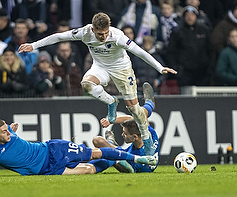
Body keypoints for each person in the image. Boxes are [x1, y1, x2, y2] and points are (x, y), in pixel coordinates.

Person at [18, 12, 176, 156]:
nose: (104, 36)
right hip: (100, 67)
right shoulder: (85, 33)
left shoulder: (117, 36)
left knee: (134, 110)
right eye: (100, 34)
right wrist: (34, 45)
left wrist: (159, 67)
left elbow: (139, 51)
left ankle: (146, 140)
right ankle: (111, 101)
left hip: (122, 70)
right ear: (93, 30)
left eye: (106, 32)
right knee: (86, 84)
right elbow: (59, 37)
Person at [0, 118, 157, 177]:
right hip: (47, 169)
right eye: (4, 132)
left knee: (93, 153)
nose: (8, 132)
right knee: (89, 170)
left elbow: (11, 128)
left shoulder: (8, 132)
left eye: (7, 129)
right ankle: (115, 158)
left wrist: (12, 128)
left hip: (54, 149)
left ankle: (136, 159)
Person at [89, 82, 159, 173]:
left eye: (125, 134)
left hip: (125, 158)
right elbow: (131, 118)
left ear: (135, 137)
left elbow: (126, 167)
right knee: (141, 114)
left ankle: (111, 143)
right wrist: (112, 120)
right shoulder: (151, 133)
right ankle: (150, 103)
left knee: (97, 141)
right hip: (139, 154)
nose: (122, 134)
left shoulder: (136, 159)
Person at [167, 6, 211, 87]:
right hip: (184, 72)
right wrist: (177, 69)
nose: (190, 17)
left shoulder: (204, 30)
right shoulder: (177, 32)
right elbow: (171, 52)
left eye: (192, 15)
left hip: (202, 72)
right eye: (187, 15)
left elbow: (210, 50)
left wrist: (209, 68)